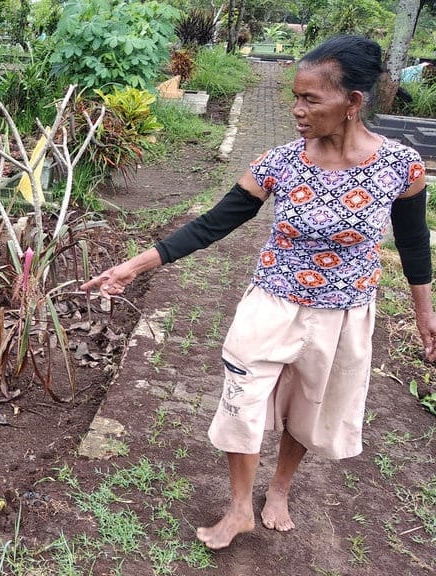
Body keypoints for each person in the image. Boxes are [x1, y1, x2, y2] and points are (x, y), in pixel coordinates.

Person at [81, 34, 436, 550]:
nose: (296, 109)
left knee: (307, 407)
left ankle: (281, 490)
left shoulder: (400, 168)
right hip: (271, 302)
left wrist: (425, 313)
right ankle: (240, 507)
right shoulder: (281, 162)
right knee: (241, 398)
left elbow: (413, 245)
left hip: (345, 312)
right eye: (295, 96)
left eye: (311, 99)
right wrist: (136, 265)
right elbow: (213, 223)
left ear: (352, 103)